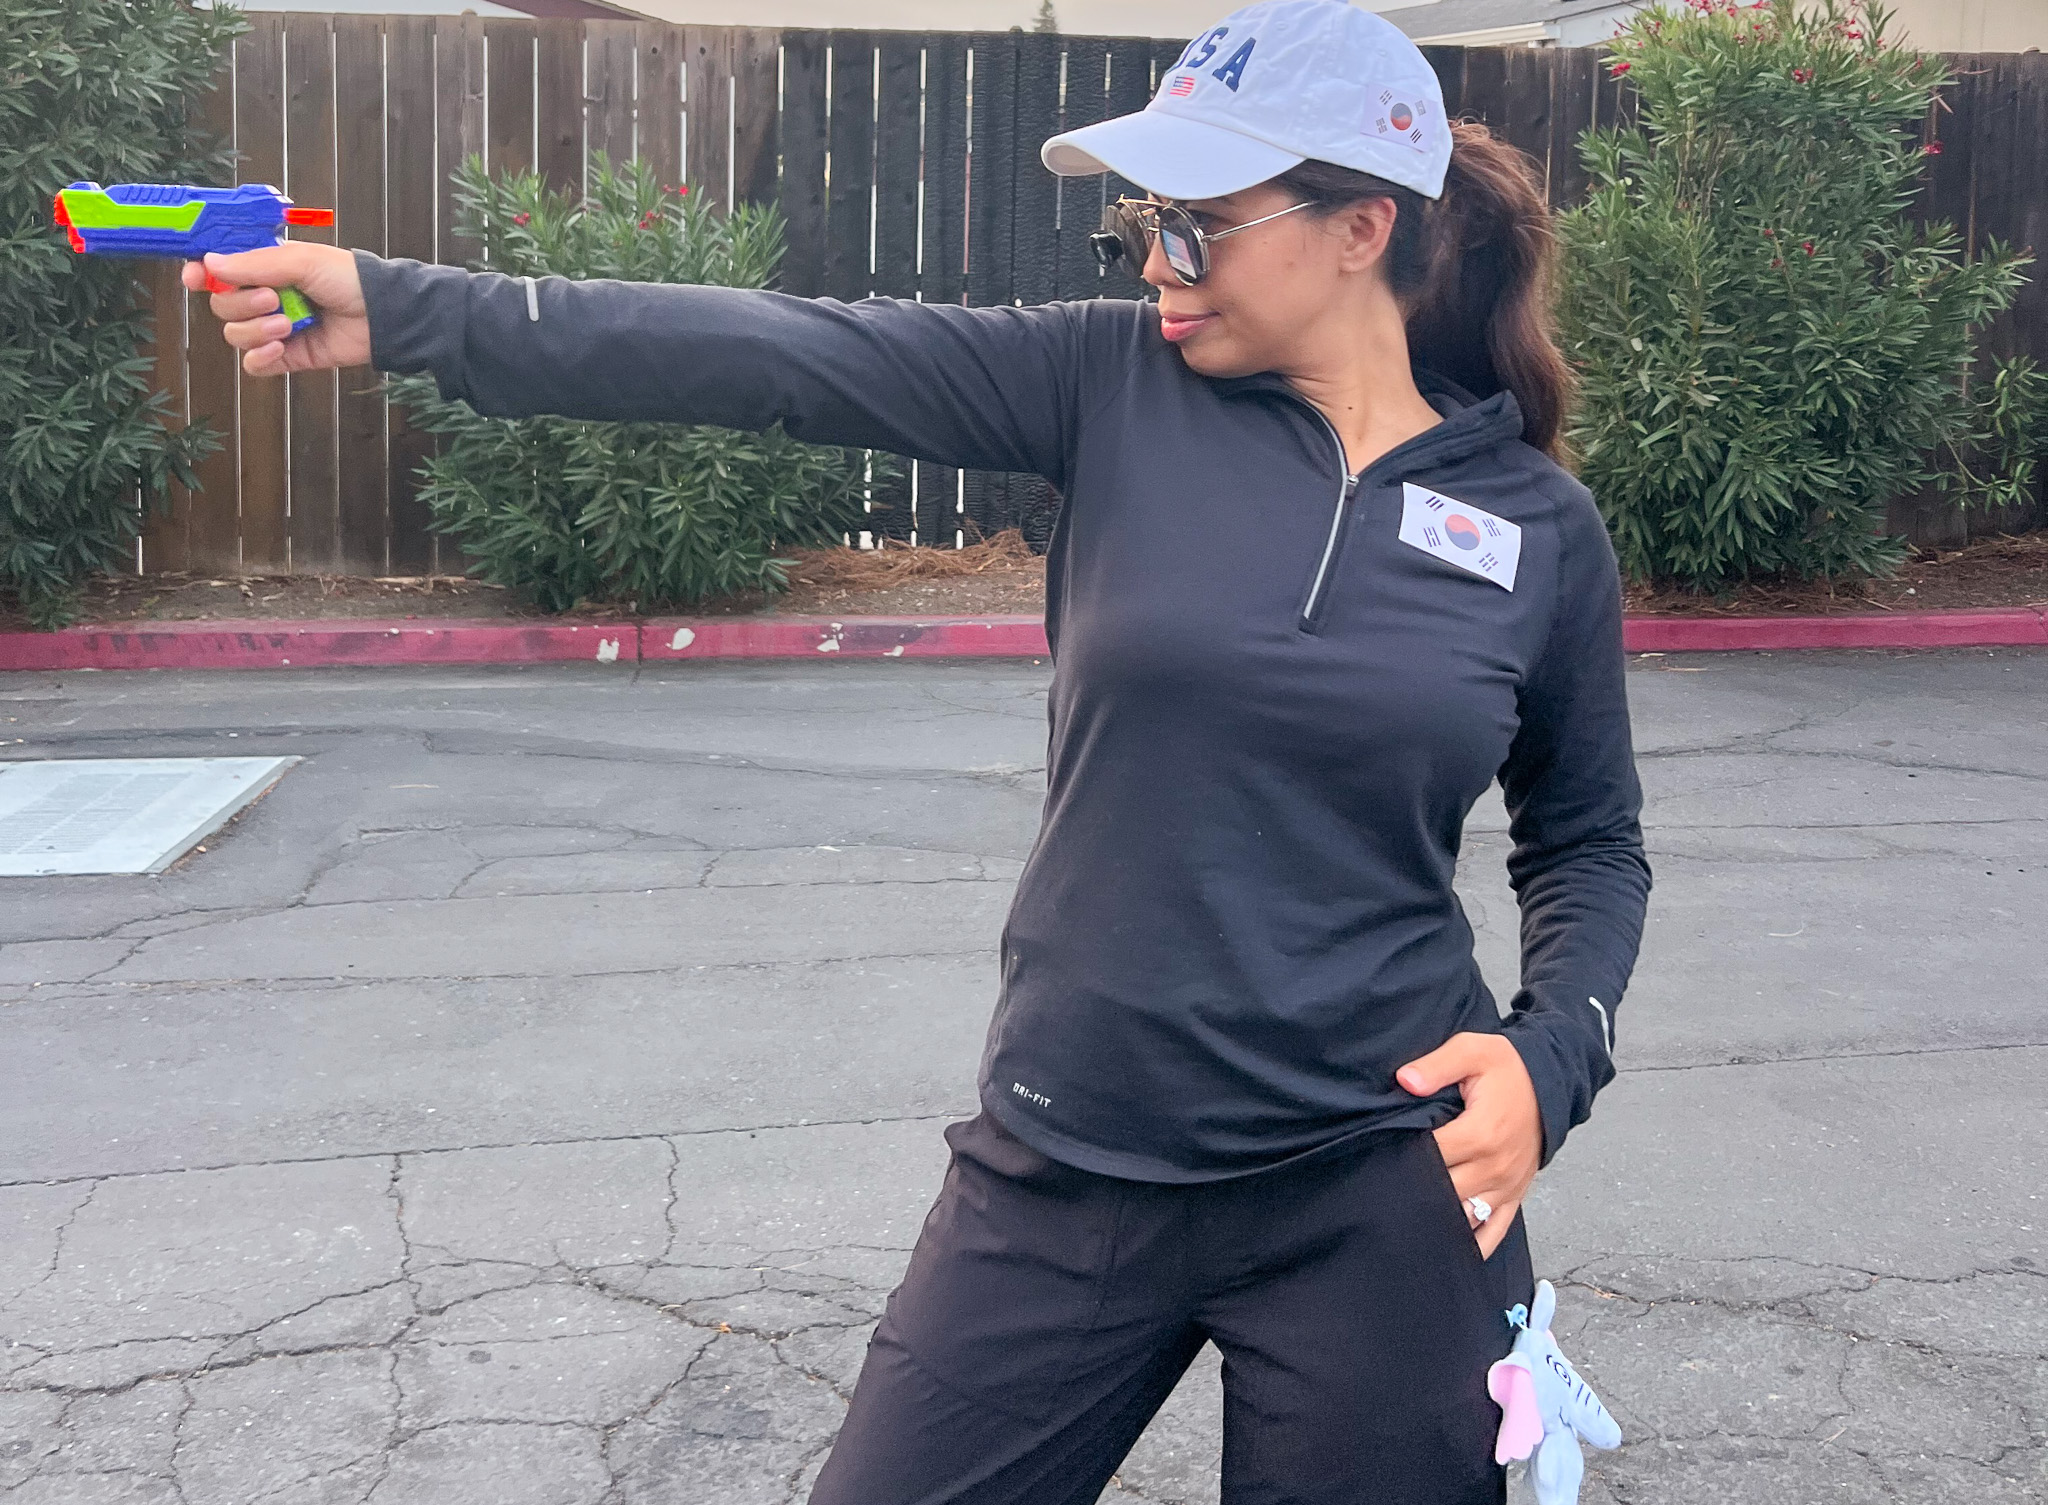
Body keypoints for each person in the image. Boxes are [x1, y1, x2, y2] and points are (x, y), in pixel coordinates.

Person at [186, 2, 1650, 1499]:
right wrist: (401, 309)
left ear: (1360, 230)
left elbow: (1589, 842)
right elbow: (777, 355)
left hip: (1382, 1185)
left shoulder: (1536, 531)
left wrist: (1553, 1057)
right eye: (1144, 223)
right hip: (1070, 1158)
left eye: (1197, 226)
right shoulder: (1107, 384)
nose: (1157, 262)